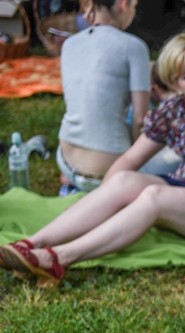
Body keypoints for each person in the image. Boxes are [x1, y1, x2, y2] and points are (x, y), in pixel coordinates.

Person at [0, 33, 185, 288]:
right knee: (125, 179)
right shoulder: (175, 110)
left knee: (153, 196)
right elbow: (129, 160)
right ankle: (30, 245)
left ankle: (58, 259)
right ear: (175, 82)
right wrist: (108, 196)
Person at [56, 0, 150, 194]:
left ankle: (71, 183)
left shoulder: (69, 44)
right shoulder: (134, 47)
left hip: (66, 159)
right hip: (107, 173)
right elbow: (141, 119)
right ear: (123, 4)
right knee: (171, 156)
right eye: (134, 6)